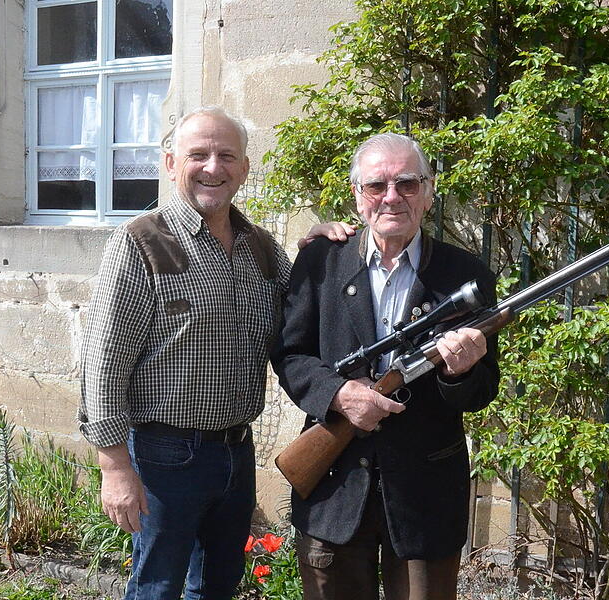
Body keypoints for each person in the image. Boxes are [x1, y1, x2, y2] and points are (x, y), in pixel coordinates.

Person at [78, 106, 353, 600]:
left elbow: (304, 315)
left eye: (227, 155)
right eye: (198, 155)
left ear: (244, 168)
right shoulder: (142, 242)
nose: (213, 167)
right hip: (165, 456)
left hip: (236, 451)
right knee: (157, 586)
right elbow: (104, 359)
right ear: (170, 163)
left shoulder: (262, 249)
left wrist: (319, 248)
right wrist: (114, 467)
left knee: (218, 585)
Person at [271, 132, 501, 600]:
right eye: (377, 186)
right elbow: (290, 354)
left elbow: (481, 392)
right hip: (336, 490)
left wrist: (459, 372)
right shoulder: (321, 261)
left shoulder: (467, 276)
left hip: (425, 496)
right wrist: (338, 395)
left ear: (429, 192)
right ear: (358, 197)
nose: (391, 197)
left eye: (407, 184)